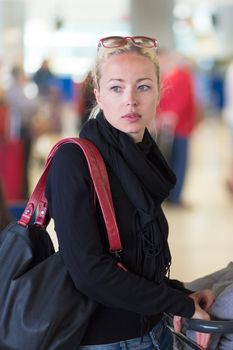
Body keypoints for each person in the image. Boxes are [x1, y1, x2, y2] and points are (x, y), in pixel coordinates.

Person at [45, 36, 214, 350]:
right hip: (105, 341)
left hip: (155, 331)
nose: (131, 100)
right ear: (98, 95)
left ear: (160, 93)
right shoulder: (75, 161)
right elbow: (89, 272)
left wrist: (178, 295)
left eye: (143, 86)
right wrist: (179, 305)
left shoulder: (147, 160)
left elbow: (133, 261)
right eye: (116, 88)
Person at [157, 50, 198, 206]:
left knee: (178, 162)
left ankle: (175, 197)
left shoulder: (179, 75)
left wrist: (169, 116)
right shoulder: (169, 77)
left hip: (179, 127)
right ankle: (172, 197)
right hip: (171, 127)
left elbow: (180, 102)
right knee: (174, 162)